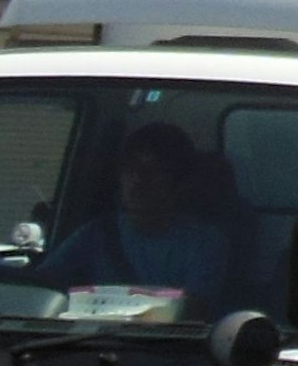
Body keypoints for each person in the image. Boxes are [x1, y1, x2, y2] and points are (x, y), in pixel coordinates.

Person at [30, 124, 240, 312]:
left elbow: (194, 310)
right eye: (132, 168)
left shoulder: (204, 242)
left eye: (155, 170)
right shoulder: (96, 233)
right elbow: (43, 286)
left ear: (180, 183)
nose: (139, 180)